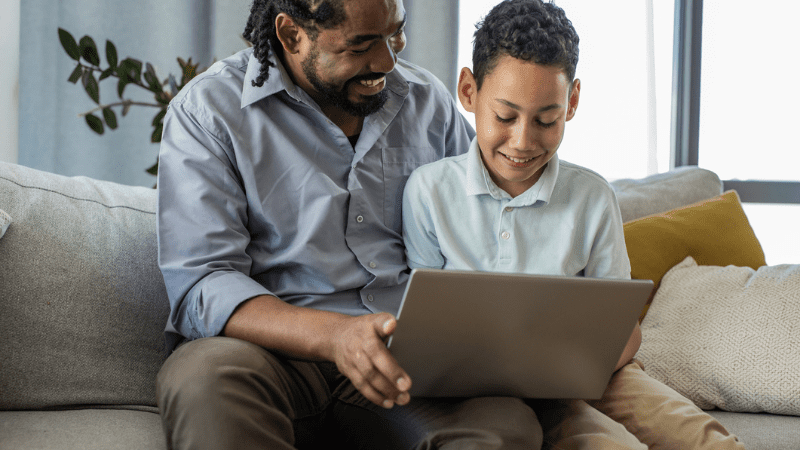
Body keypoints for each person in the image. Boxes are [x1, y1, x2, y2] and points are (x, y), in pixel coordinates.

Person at [156, 0, 550, 448]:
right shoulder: (208, 111)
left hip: (402, 362)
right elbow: (203, 283)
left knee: (502, 424)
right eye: (361, 44)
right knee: (205, 378)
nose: (386, 61)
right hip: (268, 357)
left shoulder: (426, 103)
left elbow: (485, 226)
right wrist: (335, 336)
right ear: (291, 35)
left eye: (395, 35)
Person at [401, 0, 746, 449]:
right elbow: (422, 328)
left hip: (593, 377)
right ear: (469, 91)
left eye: (547, 119)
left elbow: (623, 329)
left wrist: (579, 363)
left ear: (573, 102)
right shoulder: (428, 192)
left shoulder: (591, 197)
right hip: (480, 394)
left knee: (702, 439)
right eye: (505, 117)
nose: (523, 141)